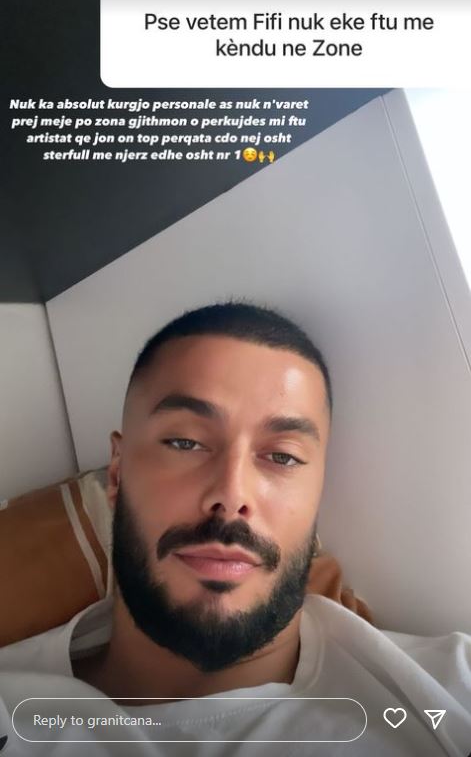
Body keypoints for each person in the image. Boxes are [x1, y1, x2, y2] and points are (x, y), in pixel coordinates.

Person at [0, 302, 470, 757]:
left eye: (282, 456)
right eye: (185, 442)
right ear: (118, 474)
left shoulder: (452, 691)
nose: (231, 493)